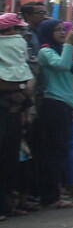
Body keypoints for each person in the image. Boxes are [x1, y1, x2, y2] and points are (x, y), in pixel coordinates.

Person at [34, 19, 73, 208]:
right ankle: (51, 196)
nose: (60, 32)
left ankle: (56, 193)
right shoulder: (46, 51)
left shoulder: (63, 51)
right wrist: (69, 43)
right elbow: (63, 66)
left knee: (61, 151)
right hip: (53, 103)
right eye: (56, 30)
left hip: (66, 105)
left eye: (61, 30)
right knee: (54, 152)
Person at [0, 12, 34, 217]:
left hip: (14, 113)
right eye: (18, 29)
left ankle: (8, 204)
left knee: (10, 160)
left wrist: (21, 91)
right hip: (4, 112)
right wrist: (19, 87)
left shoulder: (19, 52)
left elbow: (27, 82)